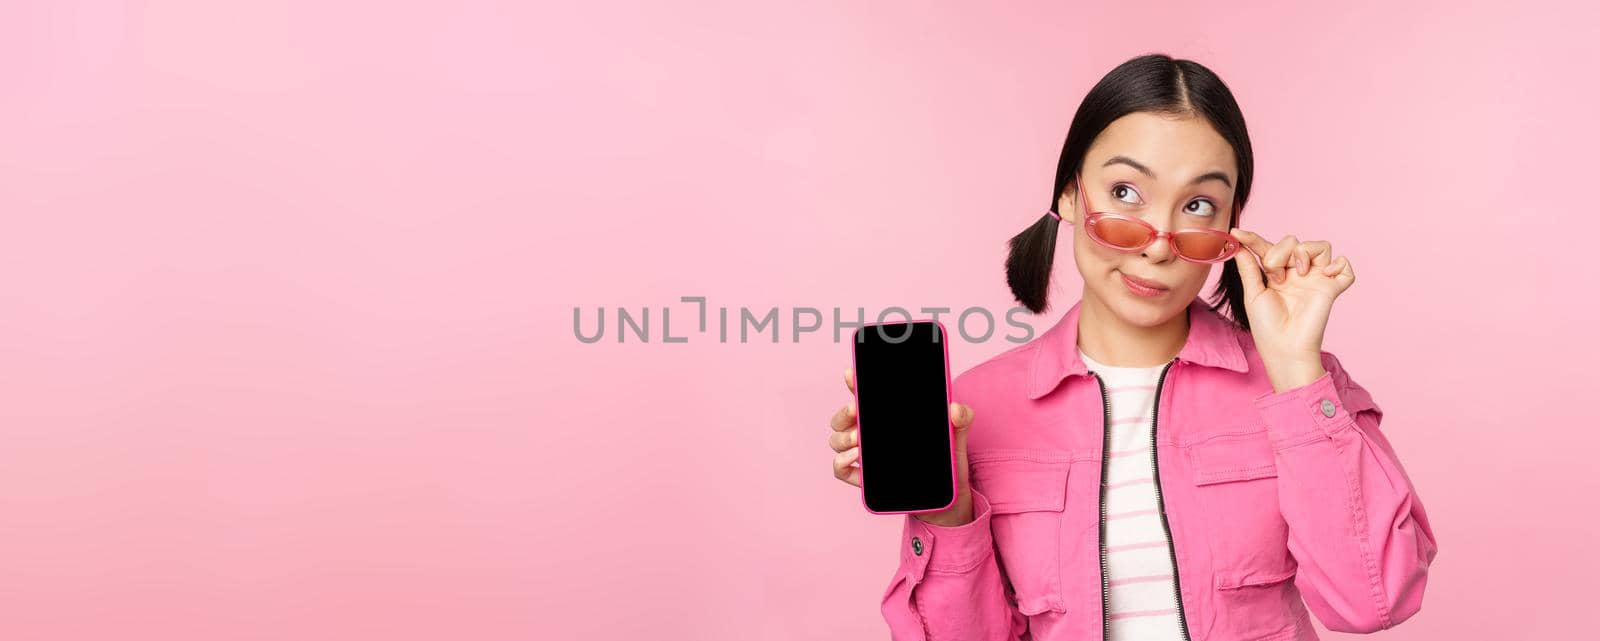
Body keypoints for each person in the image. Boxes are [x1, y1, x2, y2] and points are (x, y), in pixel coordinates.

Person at [827, 54, 1437, 640]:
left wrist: (1297, 372)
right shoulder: (975, 408)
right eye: (1124, 193)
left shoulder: (1301, 387)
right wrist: (945, 512)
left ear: (1231, 226)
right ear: (1068, 194)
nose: (1158, 245)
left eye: (1198, 204)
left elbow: (1373, 602)